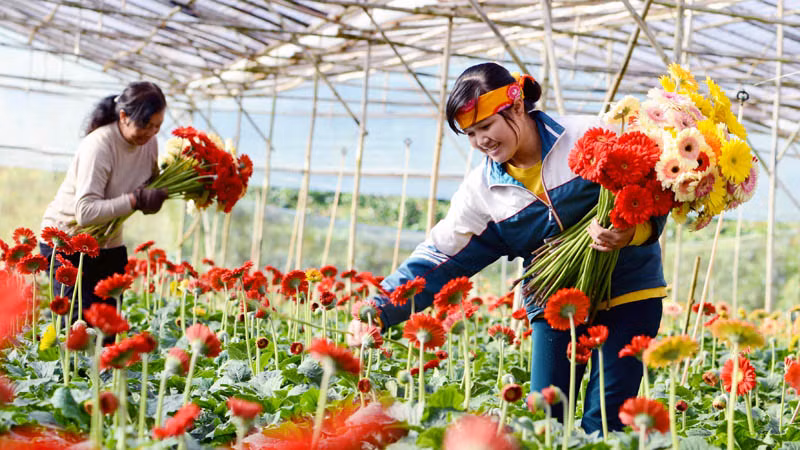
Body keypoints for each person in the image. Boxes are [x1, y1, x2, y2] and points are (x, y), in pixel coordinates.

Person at [370, 62, 666, 434]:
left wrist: (632, 233)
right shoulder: (482, 191)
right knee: (546, 420)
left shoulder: (590, 135)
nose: (481, 141)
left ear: (516, 107)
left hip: (630, 293)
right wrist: (378, 309)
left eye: (486, 126)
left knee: (606, 421)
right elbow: (440, 255)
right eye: (471, 134)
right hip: (555, 301)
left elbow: (654, 195)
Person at [40, 81, 169, 316]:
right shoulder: (99, 145)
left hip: (107, 241)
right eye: (146, 125)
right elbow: (85, 212)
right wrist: (134, 200)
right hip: (67, 240)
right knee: (76, 325)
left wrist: (159, 193)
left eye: (157, 127)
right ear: (123, 116)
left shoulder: (150, 143)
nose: (151, 133)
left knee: (108, 327)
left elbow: (148, 186)